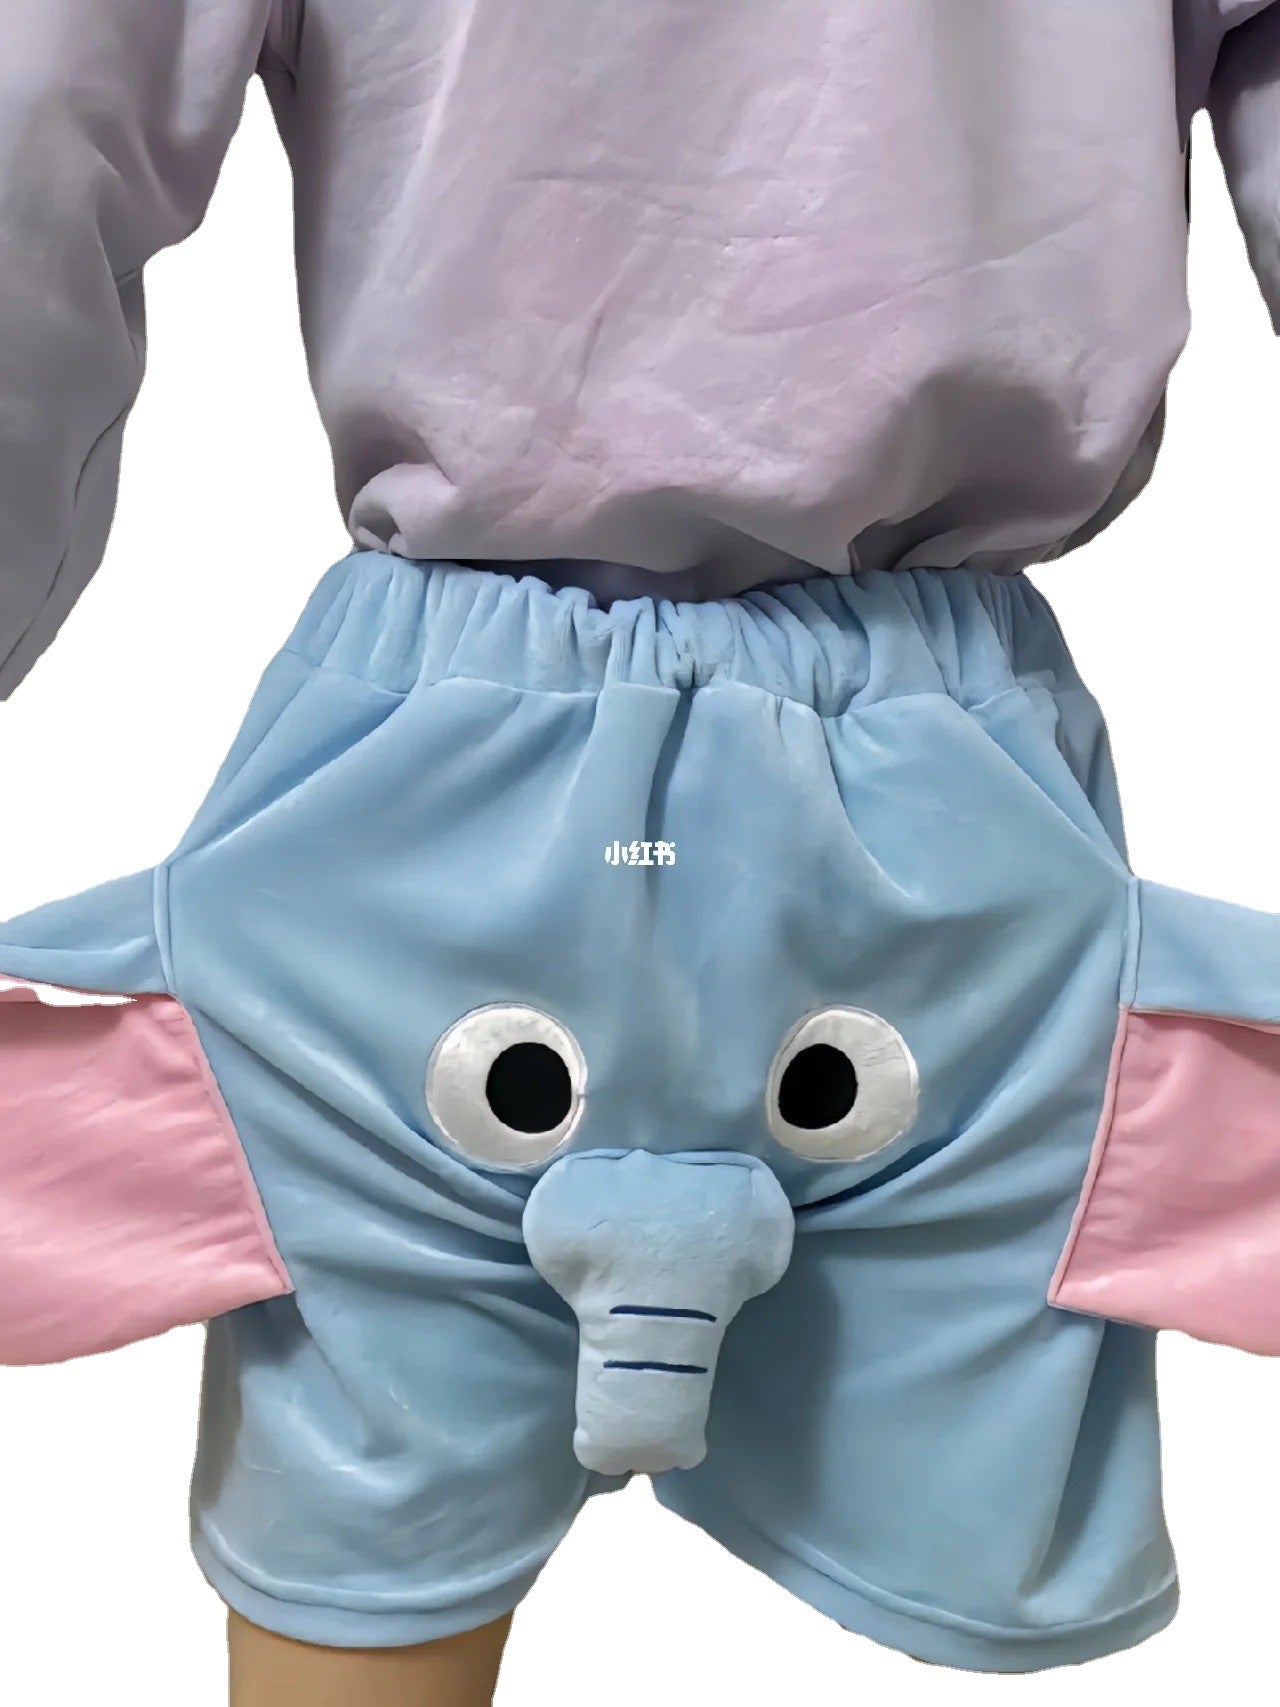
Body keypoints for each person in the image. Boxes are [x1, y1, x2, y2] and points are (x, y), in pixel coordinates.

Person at [3, 4, 1280, 1700]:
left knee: (364, 1585)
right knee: (964, 1566)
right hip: (947, 811)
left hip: (432, 804)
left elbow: (41, 121)